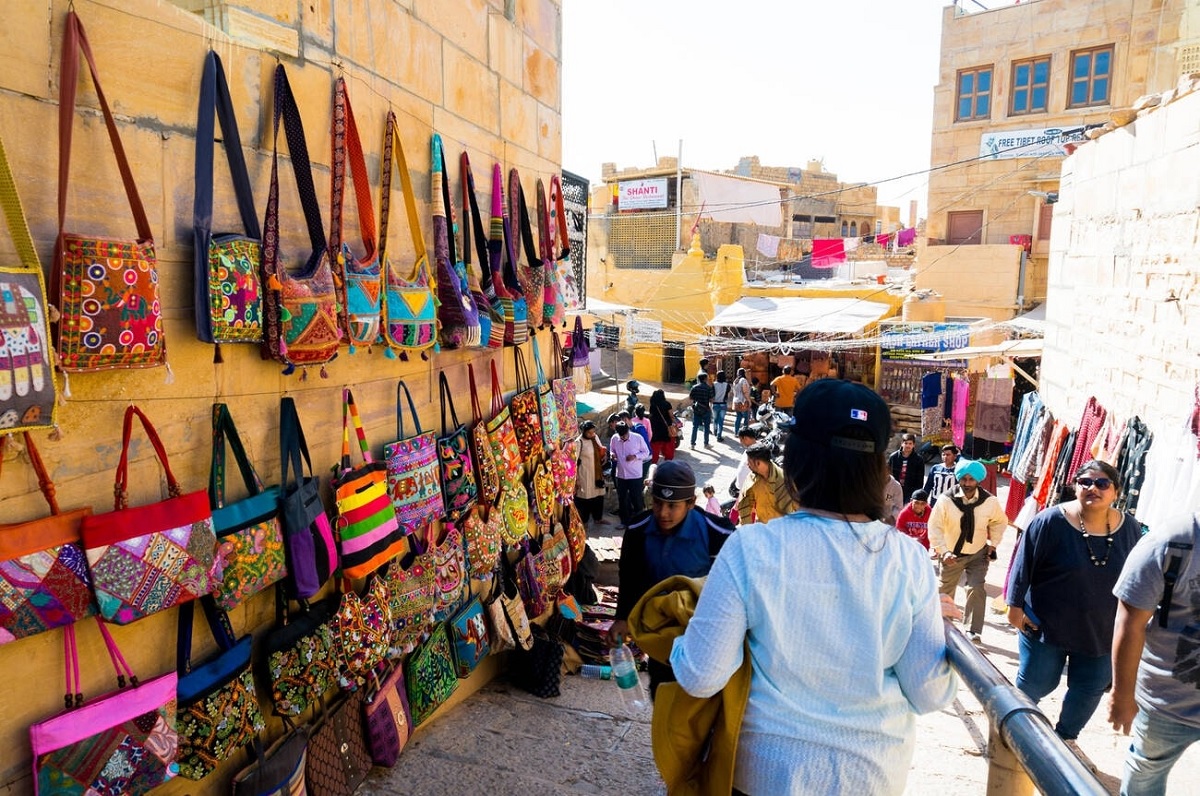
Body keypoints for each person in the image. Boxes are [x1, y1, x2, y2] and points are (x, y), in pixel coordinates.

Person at [669, 380, 956, 794]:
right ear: (880, 469)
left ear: (798, 459)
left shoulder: (752, 547)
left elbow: (701, 676)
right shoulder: (909, 560)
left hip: (765, 776)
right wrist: (939, 630)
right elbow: (929, 693)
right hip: (871, 777)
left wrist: (681, 640)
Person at [1006, 460, 1141, 742]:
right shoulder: (1050, 521)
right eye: (1085, 482)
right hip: (1047, 625)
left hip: (1102, 631)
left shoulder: (1130, 529)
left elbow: (1141, 577)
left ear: (1115, 491)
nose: (1093, 488)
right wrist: (1014, 607)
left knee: (1089, 687)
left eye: (1102, 483)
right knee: (1036, 682)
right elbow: (1023, 564)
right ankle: (1013, 733)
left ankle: (1066, 740)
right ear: (1075, 486)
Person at [609, 460, 735, 695]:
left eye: (672, 505)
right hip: (661, 634)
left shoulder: (718, 533)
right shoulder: (638, 530)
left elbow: (732, 590)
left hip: (704, 636)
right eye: (658, 503)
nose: (663, 513)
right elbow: (629, 576)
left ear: (691, 503)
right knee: (663, 693)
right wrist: (622, 618)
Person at [1109, 511, 1200, 795]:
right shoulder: (1173, 539)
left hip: (1168, 697)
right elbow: (1130, 622)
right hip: (1169, 701)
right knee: (1146, 772)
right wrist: (1122, 695)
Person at [927, 458, 1008, 644]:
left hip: (978, 553)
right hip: (951, 555)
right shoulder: (945, 500)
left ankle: (973, 630)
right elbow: (935, 527)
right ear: (958, 479)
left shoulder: (990, 501)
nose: (967, 483)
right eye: (964, 479)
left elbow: (999, 522)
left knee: (976, 588)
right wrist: (943, 551)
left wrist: (993, 544)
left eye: (972, 479)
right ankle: (941, 627)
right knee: (945, 591)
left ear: (978, 480)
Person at [735, 442, 798, 525]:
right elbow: (744, 504)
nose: (747, 464)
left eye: (749, 462)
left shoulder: (784, 481)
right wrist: (747, 528)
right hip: (763, 527)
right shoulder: (751, 478)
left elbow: (796, 508)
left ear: (758, 463)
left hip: (782, 530)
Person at [609, 421, 651, 528]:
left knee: (636, 498)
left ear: (628, 430)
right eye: (621, 436)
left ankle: (640, 522)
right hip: (621, 474)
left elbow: (646, 453)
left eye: (624, 435)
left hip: (635, 475)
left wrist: (635, 456)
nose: (623, 438)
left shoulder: (637, 438)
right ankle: (624, 522)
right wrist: (612, 455)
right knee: (622, 499)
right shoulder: (614, 438)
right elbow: (612, 450)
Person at [573, 420, 609, 530]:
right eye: (589, 432)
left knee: (598, 497)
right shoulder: (579, 442)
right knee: (585, 499)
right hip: (585, 475)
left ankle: (598, 518)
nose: (592, 434)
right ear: (584, 432)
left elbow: (600, 448)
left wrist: (604, 456)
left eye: (593, 432)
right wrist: (577, 479)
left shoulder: (595, 438)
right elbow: (574, 461)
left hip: (596, 474)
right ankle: (584, 521)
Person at [888, 433, 926, 502]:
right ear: (902, 443)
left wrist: (916, 494)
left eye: (910, 443)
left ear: (913, 445)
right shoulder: (893, 457)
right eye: (906, 443)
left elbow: (920, 479)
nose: (908, 445)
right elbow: (889, 474)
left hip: (910, 491)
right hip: (894, 489)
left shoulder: (918, 460)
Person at [648, 388, 677, 464]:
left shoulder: (653, 404)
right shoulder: (667, 404)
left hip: (655, 428)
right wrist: (676, 422)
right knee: (668, 446)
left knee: (655, 447)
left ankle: (653, 463)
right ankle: (668, 463)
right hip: (666, 428)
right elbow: (671, 415)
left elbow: (651, 415)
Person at [689, 373, 715, 448]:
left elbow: (690, 398)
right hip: (706, 410)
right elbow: (711, 400)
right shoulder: (708, 388)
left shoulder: (694, 387)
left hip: (696, 409)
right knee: (706, 427)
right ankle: (706, 444)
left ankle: (692, 444)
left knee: (695, 427)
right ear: (704, 379)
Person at [732, 367, 752, 436]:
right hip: (743, 401)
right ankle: (745, 434)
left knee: (738, 417)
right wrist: (749, 401)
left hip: (736, 401)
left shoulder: (735, 381)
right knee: (746, 418)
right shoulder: (743, 380)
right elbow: (745, 391)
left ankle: (736, 432)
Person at [711, 371, 730, 442]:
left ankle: (715, 431)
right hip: (723, 404)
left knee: (715, 419)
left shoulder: (714, 384)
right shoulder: (727, 385)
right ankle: (719, 436)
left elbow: (712, 394)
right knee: (721, 421)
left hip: (715, 404)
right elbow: (727, 393)